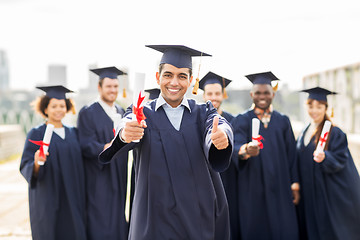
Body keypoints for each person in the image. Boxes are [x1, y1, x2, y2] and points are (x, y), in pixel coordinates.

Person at [99, 45, 234, 240]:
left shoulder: (203, 112)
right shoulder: (143, 113)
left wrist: (222, 137)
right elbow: (126, 123)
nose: (174, 82)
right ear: (157, 77)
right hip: (155, 216)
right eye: (168, 75)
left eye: (182, 76)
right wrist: (124, 134)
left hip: (196, 215)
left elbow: (219, 125)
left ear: (190, 81)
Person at [231, 71, 299, 239]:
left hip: (280, 186)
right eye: (258, 93)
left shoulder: (283, 121)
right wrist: (246, 150)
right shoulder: (241, 120)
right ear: (251, 94)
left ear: (273, 94)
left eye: (266, 92)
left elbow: (291, 155)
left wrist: (295, 184)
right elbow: (236, 145)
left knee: (283, 228)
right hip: (253, 187)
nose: (262, 96)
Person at [20, 85, 86, 240]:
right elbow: (26, 164)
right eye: (54, 106)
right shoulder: (36, 133)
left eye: (62, 106)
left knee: (73, 231)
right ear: (45, 108)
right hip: (48, 196)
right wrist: (36, 162)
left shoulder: (74, 133)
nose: (59, 110)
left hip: (73, 196)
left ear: (67, 107)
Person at [296, 87, 360, 240]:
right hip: (308, 193)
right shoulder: (305, 131)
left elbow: (341, 159)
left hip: (325, 193)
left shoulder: (335, 133)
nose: (314, 111)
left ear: (326, 108)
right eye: (311, 106)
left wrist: (325, 157)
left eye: (319, 106)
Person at [77, 66, 132, 240]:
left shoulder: (122, 112)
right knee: (100, 214)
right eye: (108, 86)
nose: (113, 90)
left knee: (118, 211)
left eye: (116, 86)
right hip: (99, 174)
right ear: (99, 87)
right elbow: (84, 144)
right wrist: (106, 147)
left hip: (119, 172)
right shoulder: (88, 112)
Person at [199, 71, 239, 240]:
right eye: (209, 93)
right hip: (204, 183)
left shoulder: (233, 120)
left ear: (223, 94)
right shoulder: (196, 119)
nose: (213, 97)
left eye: (217, 93)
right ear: (203, 95)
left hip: (228, 181)